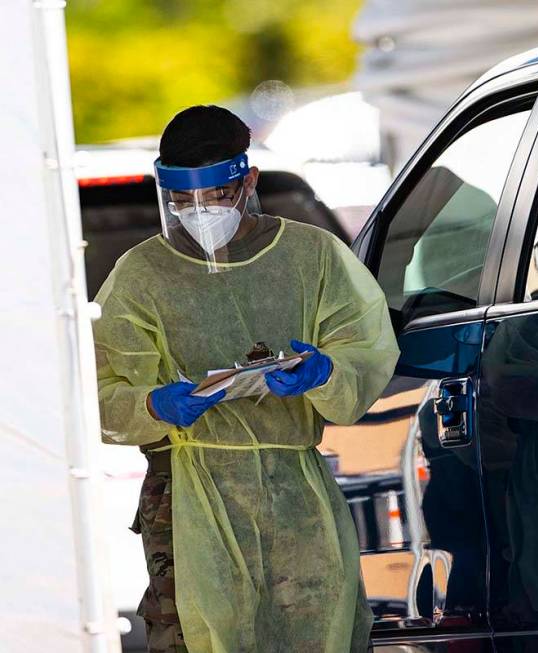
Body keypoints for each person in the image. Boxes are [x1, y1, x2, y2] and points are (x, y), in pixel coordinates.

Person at [93, 105, 400, 653]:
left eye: (212, 197)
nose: (198, 212)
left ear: (246, 181)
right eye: (183, 202)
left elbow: (365, 348)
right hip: (186, 487)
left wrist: (325, 371)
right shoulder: (142, 275)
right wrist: (154, 406)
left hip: (296, 488)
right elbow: (95, 386)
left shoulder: (313, 257)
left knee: (314, 621)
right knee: (195, 632)